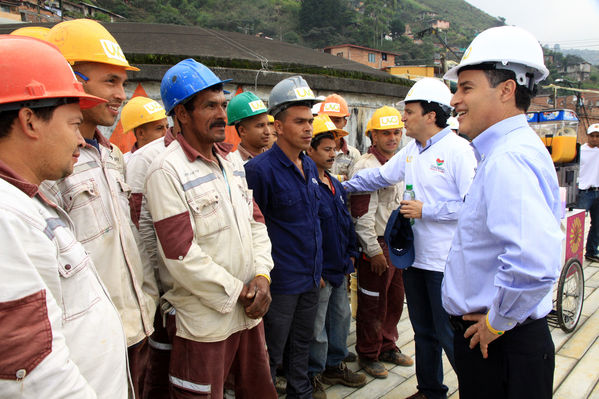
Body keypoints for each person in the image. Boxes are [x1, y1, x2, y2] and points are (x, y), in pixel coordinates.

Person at [0, 35, 128, 398]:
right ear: (29, 121)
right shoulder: (7, 220)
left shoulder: (27, 201)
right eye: (74, 125)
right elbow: (34, 378)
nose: (80, 141)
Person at [144, 58, 276, 399]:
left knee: (258, 391)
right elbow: (180, 254)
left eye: (223, 104)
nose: (222, 114)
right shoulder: (166, 171)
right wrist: (240, 292)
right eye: (209, 106)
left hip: (248, 314)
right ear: (182, 115)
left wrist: (262, 276)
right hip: (205, 322)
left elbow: (255, 222)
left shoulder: (231, 161)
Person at [441, 26, 562, 399]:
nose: (455, 99)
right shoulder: (503, 151)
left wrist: (496, 322)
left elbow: (532, 263)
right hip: (500, 338)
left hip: (501, 343)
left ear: (507, 89)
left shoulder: (508, 159)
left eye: (466, 87)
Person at [41, 19, 158, 398]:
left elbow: (129, 240)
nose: (120, 94)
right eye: (110, 81)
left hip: (136, 325)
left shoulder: (112, 156)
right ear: (72, 78)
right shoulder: (51, 166)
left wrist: (148, 297)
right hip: (91, 344)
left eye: (122, 82)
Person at [343, 78, 477, 399]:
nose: (404, 119)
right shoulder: (413, 151)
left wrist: (427, 210)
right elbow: (379, 176)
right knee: (423, 332)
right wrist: (337, 187)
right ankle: (430, 390)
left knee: (449, 335)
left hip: (446, 265)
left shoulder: (458, 151)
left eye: (410, 112)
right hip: (415, 260)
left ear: (431, 115)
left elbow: (474, 206)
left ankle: (476, 390)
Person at [245, 76, 323, 399]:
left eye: (310, 121)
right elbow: (251, 230)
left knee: (301, 350)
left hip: (310, 278)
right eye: (299, 121)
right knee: (271, 354)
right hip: (279, 284)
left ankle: (300, 393)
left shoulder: (311, 166)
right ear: (278, 126)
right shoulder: (260, 171)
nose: (308, 128)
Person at [346, 106, 413, 379]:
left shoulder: (397, 163)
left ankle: (387, 345)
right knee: (372, 302)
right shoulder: (366, 167)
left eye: (397, 132)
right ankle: (368, 353)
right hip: (376, 244)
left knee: (394, 299)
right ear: (372, 135)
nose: (393, 138)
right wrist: (372, 251)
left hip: (395, 243)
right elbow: (361, 214)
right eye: (386, 133)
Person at [306, 115, 367, 398]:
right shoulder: (306, 184)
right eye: (326, 149)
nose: (333, 154)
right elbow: (306, 233)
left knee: (340, 318)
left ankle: (334, 363)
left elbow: (345, 223)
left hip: (340, 266)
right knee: (316, 327)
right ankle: (313, 373)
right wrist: (313, 270)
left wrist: (352, 254)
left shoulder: (334, 184)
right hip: (319, 271)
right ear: (310, 150)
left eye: (334, 149)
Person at [318, 94, 361, 182]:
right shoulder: (310, 150)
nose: (332, 125)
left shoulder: (353, 154)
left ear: (345, 123)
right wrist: (340, 178)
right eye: (328, 119)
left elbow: (355, 185)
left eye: (337, 120)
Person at [121, 96, 168, 163]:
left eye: (167, 126)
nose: (166, 133)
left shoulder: (174, 156)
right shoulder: (125, 165)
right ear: (140, 133)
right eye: (159, 128)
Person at [227, 91, 271, 163]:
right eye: (260, 125)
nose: (268, 132)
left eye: (268, 124)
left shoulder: (278, 159)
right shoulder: (231, 164)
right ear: (242, 131)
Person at [578, 123, 599, 262]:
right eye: (592, 136)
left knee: (597, 224)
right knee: (577, 224)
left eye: (598, 136)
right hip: (584, 192)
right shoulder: (580, 151)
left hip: (598, 191)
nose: (595, 139)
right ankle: (573, 253)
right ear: (588, 136)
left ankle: (591, 251)